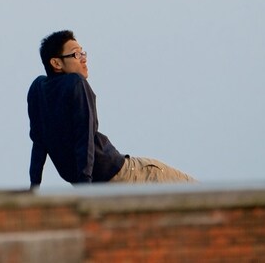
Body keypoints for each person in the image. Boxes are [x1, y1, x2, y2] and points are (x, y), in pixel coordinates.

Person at [28, 29, 196, 187]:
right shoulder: (75, 82)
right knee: (193, 188)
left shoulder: (38, 89)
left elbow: (39, 143)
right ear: (56, 63)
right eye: (76, 54)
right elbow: (84, 137)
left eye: (83, 53)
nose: (83, 58)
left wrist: (34, 188)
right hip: (123, 174)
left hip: (93, 180)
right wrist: (86, 188)